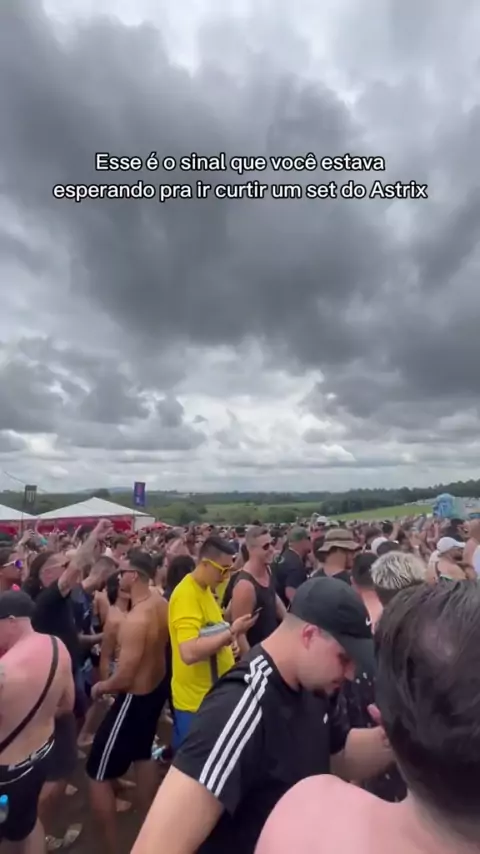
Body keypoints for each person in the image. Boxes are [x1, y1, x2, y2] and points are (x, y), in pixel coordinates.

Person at [132, 577, 393, 854]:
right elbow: (154, 848)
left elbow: (338, 755)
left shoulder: (316, 686)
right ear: (309, 636)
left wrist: (395, 740)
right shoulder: (240, 707)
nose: (351, 673)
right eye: (344, 658)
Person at [255, 581, 480, 854]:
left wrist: (403, 730)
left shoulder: (304, 822)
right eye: (344, 658)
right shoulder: (248, 699)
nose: (350, 674)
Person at [86, 550, 170, 854]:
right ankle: (151, 829)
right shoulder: (160, 603)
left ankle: (112, 848)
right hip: (155, 690)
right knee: (142, 753)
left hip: (134, 699)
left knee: (96, 773)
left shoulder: (136, 619)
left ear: (134, 576)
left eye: (122, 572)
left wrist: (101, 687)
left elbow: (124, 676)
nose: (119, 577)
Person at [0, 590, 74, 854]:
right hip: (42, 755)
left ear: (11, 621)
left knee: (9, 838)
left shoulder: (5, 670)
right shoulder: (56, 645)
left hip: (8, 774)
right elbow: (67, 705)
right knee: (29, 824)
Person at [168, 536, 258, 751]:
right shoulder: (186, 596)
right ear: (205, 564)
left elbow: (210, 631)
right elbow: (189, 652)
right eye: (222, 570)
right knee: (195, 762)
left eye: (229, 570)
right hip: (195, 704)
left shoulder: (206, 590)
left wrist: (228, 641)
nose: (225, 576)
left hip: (210, 697)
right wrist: (231, 633)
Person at [230, 526, 286, 653]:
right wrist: (251, 661)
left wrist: (288, 622)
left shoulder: (267, 569)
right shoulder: (245, 586)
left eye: (272, 543)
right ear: (251, 550)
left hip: (272, 648)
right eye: (265, 546)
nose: (272, 549)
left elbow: (272, 596)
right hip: (257, 653)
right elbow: (239, 634)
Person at [273, 527, 311, 605]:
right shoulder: (295, 563)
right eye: (309, 539)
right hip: (285, 607)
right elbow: (291, 592)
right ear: (303, 541)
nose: (311, 542)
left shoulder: (285, 556)